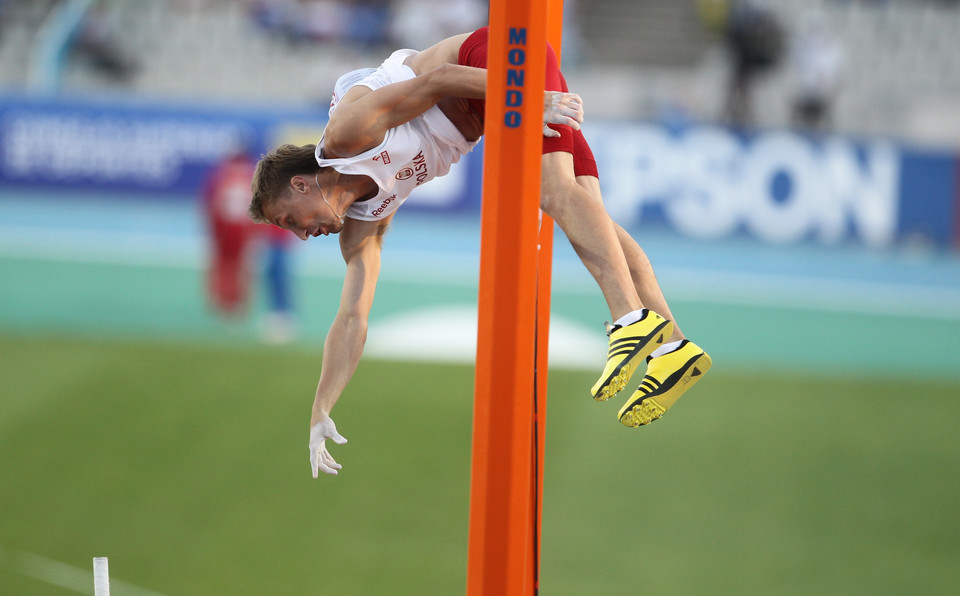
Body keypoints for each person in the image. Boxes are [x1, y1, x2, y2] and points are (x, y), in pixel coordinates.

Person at [248, 27, 712, 478]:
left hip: (491, 60)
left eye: (291, 220)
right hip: (493, 105)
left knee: (553, 194)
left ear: (301, 182)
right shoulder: (361, 229)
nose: (302, 236)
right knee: (586, 209)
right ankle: (672, 348)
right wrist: (321, 408)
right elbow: (352, 319)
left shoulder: (347, 136)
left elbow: (438, 80)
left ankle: (630, 320)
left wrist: (528, 97)